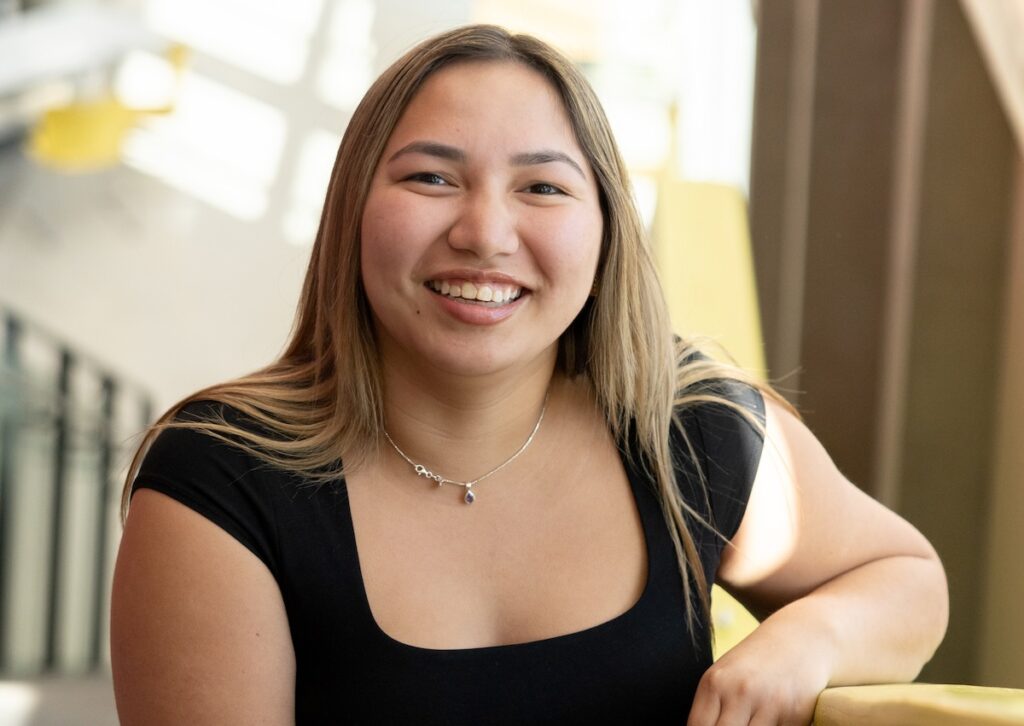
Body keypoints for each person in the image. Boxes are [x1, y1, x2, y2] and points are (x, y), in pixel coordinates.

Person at [109, 24, 948, 726]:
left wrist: (808, 641)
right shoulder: (222, 479)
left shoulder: (684, 427)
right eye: (432, 177)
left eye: (543, 186)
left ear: (605, 230)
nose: (485, 232)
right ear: (353, 209)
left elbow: (906, 581)